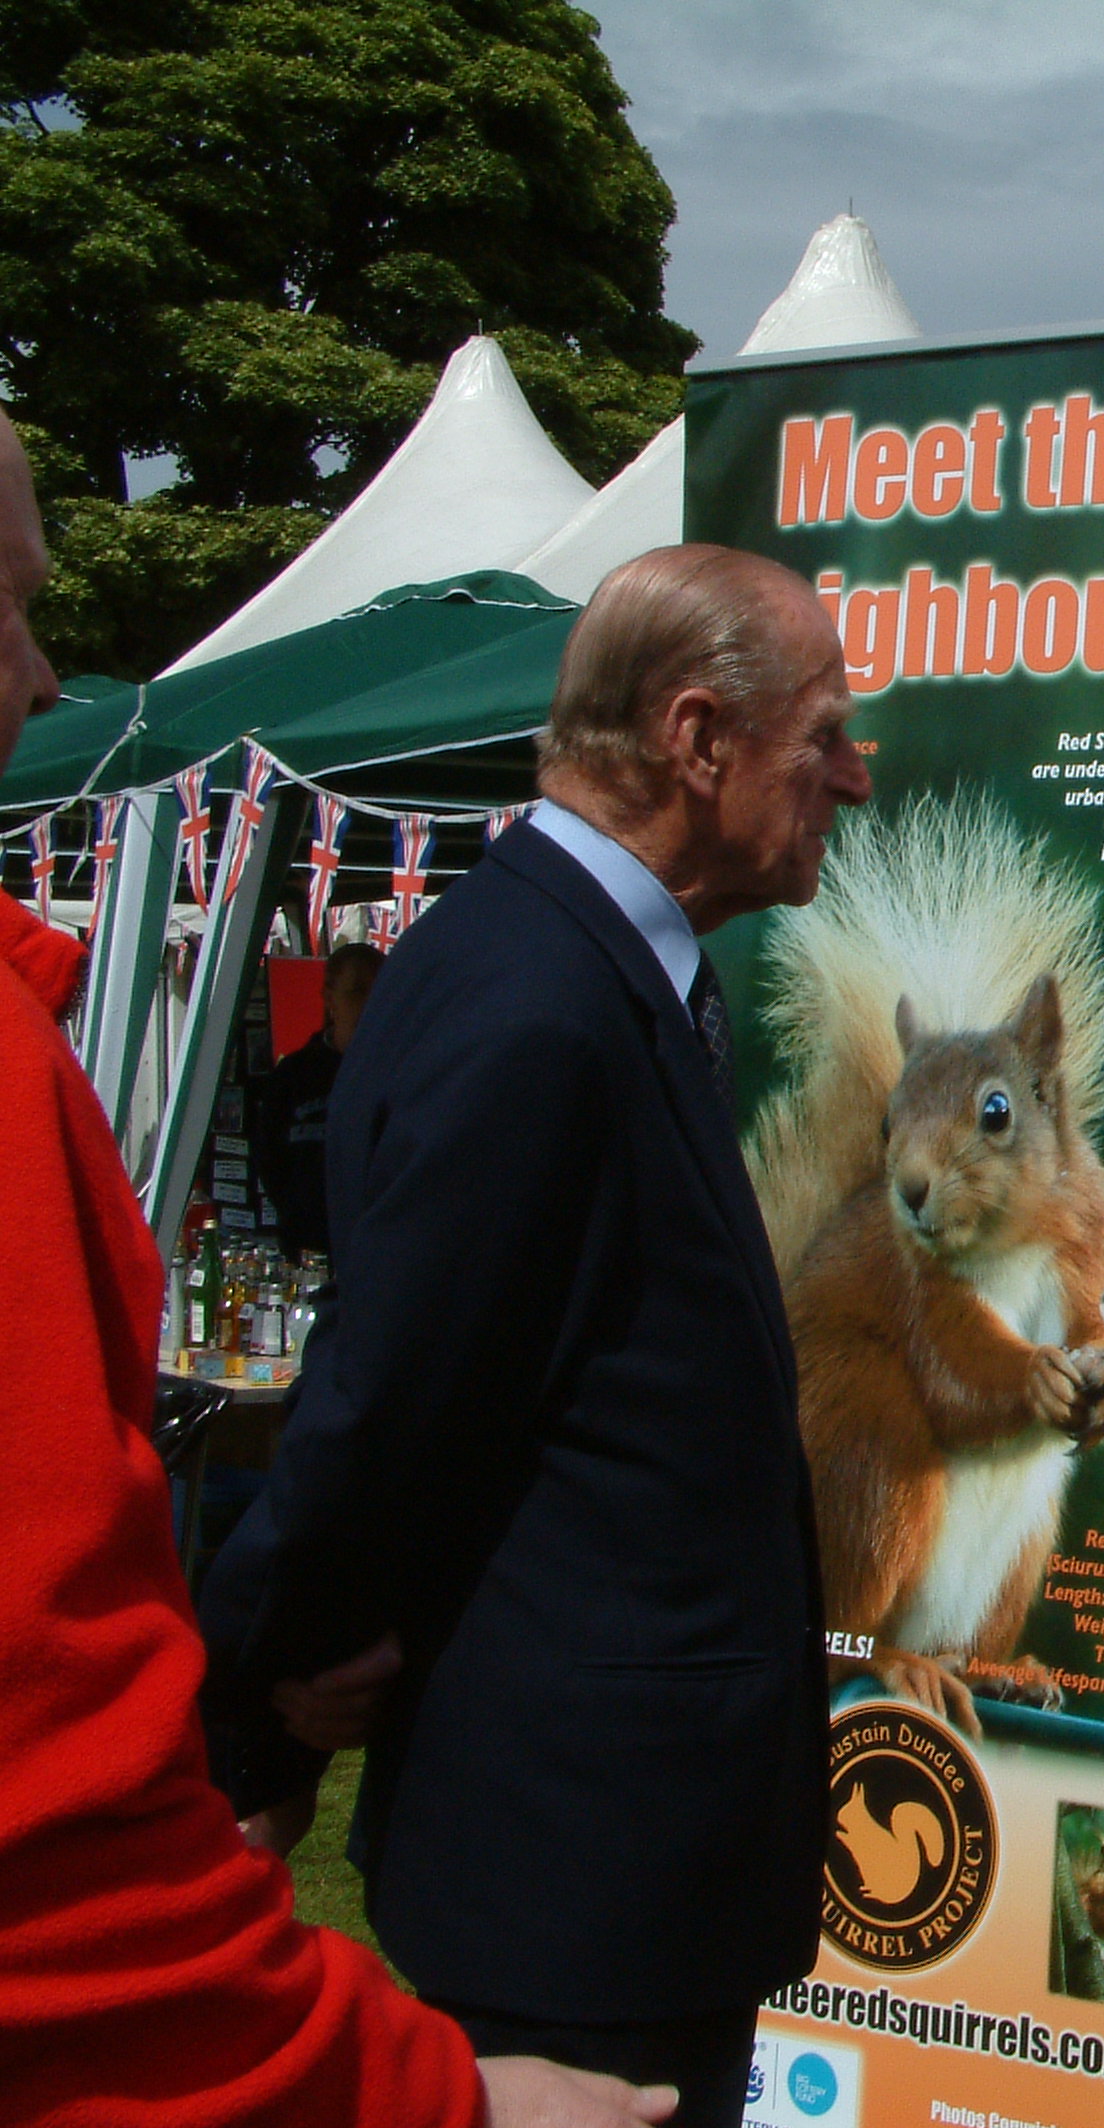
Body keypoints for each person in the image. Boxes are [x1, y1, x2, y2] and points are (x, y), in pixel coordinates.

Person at [0, 406, 671, 2124]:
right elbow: (47, 1821)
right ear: (694, 736)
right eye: (11, 605)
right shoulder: (535, 998)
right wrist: (424, 2094)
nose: (42, 674)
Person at [202, 543, 873, 2126]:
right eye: (827, 731)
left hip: (622, 1850)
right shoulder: (536, 1001)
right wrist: (270, 1690)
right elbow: (396, 1399)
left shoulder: (573, 966)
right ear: (698, 742)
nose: (856, 773)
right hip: (580, 1876)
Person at [251, 941, 382, 1258]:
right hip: (309, 1252)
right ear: (330, 1000)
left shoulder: (402, 1073)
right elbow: (269, 1160)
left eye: (378, 991)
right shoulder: (294, 1076)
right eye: (356, 991)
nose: (368, 1004)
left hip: (379, 1255)